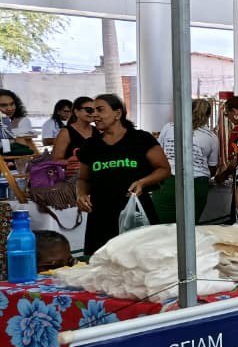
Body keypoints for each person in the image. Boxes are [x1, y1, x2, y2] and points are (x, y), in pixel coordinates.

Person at [75, 94, 169, 256]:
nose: (94, 115)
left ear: (118, 113)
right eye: (92, 110)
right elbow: (83, 178)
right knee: (102, 263)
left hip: (135, 212)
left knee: (140, 260)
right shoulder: (91, 145)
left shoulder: (140, 139)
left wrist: (142, 182)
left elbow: (164, 169)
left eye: (100, 110)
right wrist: (81, 194)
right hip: (100, 216)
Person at [152, 99, 219, 224]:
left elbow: (158, 154)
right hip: (198, 185)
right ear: (208, 116)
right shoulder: (211, 137)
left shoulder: (169, 127)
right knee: (190, 229)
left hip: (168, 182)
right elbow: (213, 167)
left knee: (162, 230)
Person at [50, 96, 97, 164]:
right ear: (76, 111)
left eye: (94, 110)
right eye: (88, 110)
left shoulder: (97, 131)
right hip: (73, 173)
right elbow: (56, 160)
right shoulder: (66, 132)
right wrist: (77, 164)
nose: (92, 113)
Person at [0, 89, 37, 153]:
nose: (10, 108)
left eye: (12, 104)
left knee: (20, 139)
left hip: (14, 157)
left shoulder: (22, 121)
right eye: (3, 105)